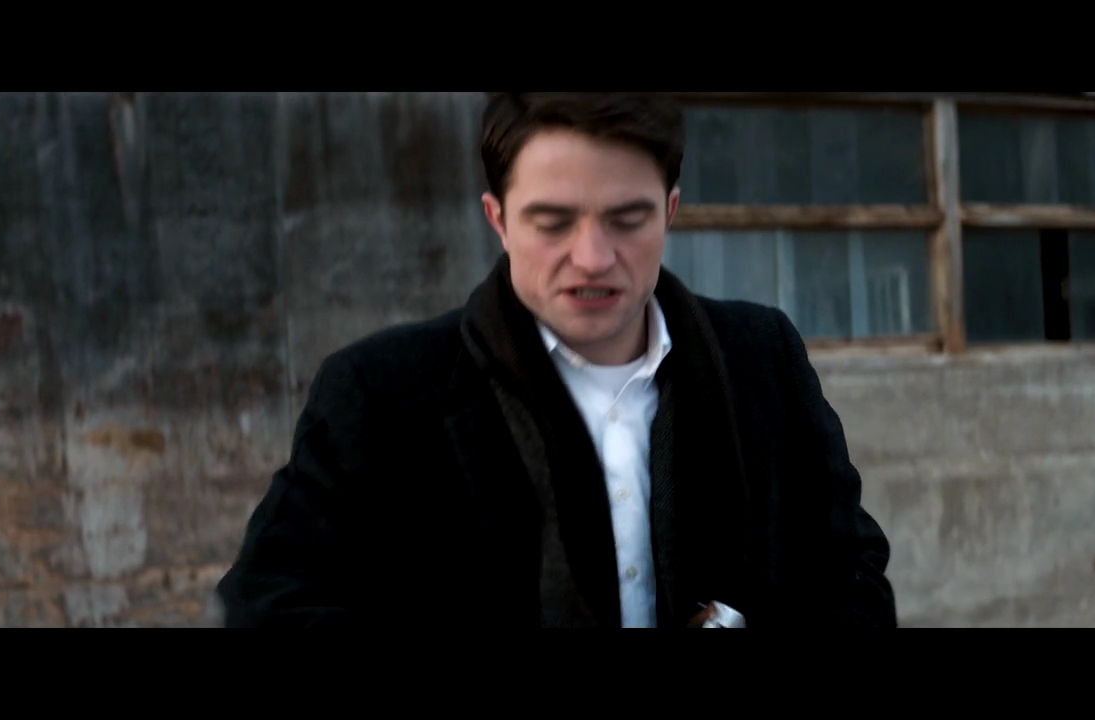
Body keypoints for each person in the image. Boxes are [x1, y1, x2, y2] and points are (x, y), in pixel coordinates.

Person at [216, 92, 898, 628]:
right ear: (498, 219)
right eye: (553, 223)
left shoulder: (762, 358)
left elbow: (854, 575)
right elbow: (271, 603)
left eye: (627, 220)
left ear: (670, 211)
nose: (593, 257)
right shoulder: (381, 392)